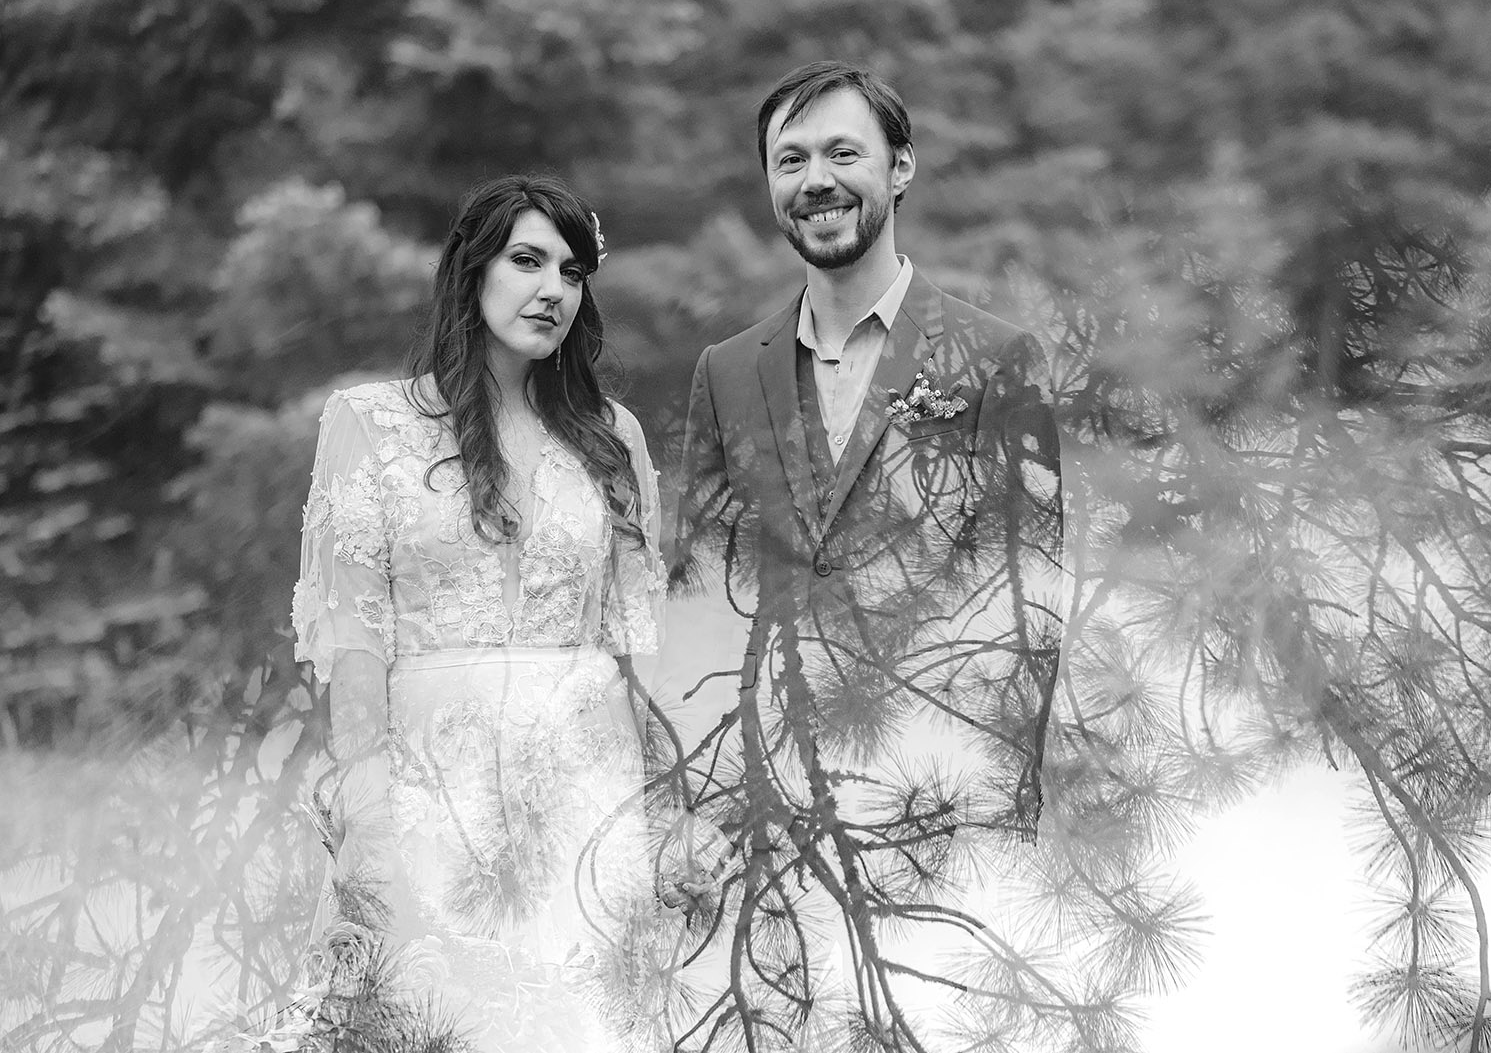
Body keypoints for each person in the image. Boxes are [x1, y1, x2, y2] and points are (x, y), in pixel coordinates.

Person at [666, 61, 1067, 1050]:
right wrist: (702, 801)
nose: (815, 179)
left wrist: (1004, 803)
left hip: (944, 798)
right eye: (789, 158)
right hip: (775, 802)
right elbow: (697, 595)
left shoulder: (994, 357)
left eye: (843, 151)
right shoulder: (725, 371)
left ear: (900, 168)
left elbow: (1039, 590)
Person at [281, 174, 667, 1052]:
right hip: (428, 777)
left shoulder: (613, 438)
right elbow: (355, 638)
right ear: (472, 271)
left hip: (581, 777)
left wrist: (642, 818)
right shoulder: (371, 423)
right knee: (425, 1016)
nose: (553, 290)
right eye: (527, 260)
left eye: (572, 271)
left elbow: (629, 646)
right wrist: (368, 803)